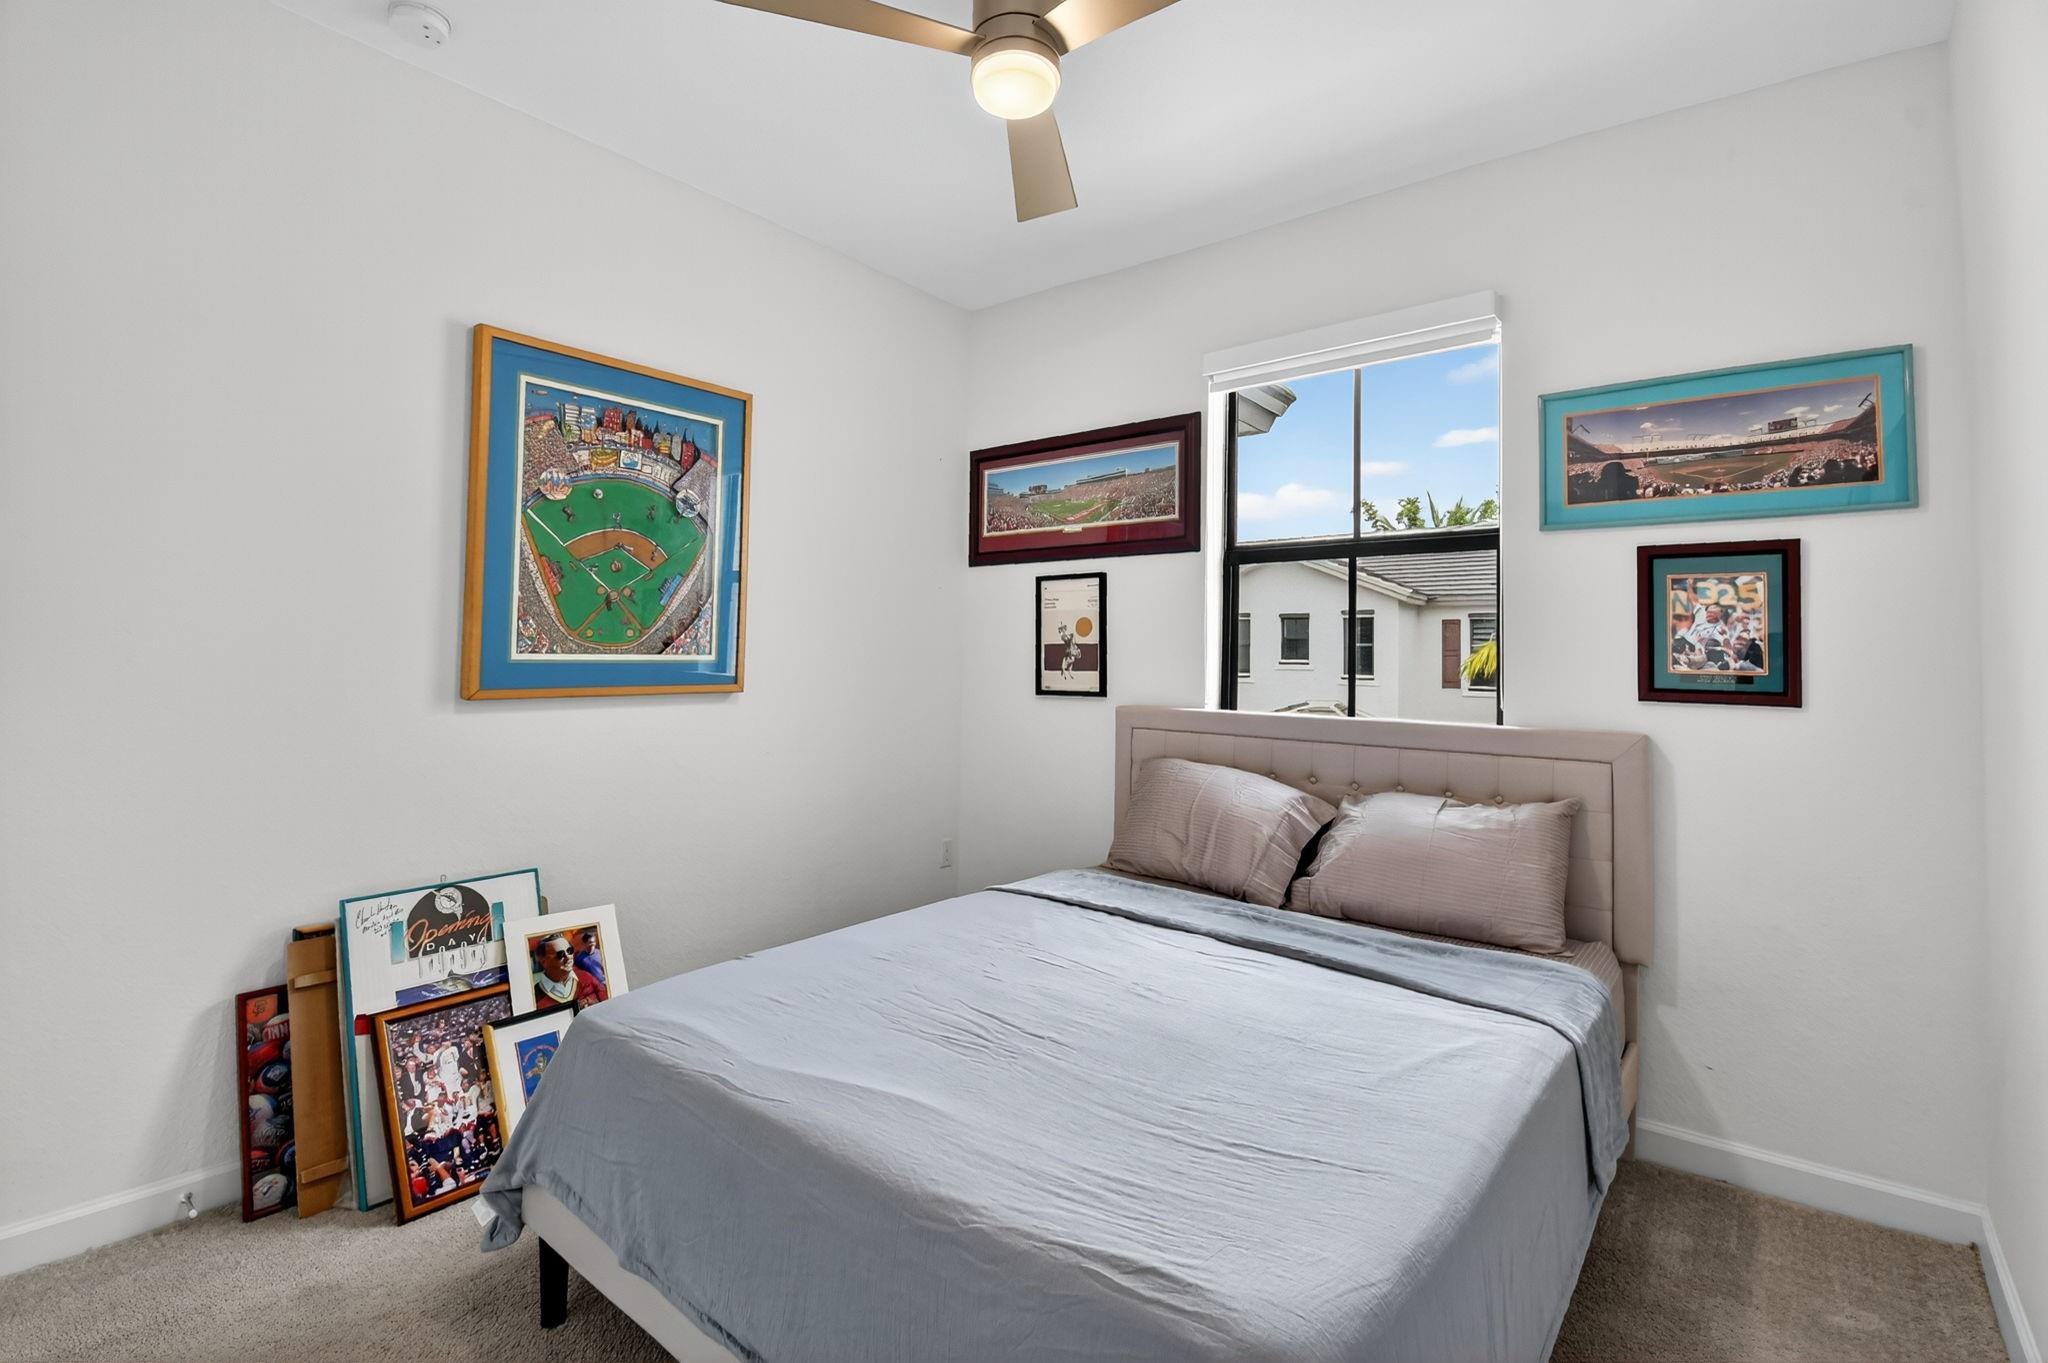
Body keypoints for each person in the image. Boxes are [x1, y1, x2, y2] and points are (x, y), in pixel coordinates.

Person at [531, 933, 607, 1011]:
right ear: (544, 962)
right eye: (560, 954)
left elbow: (606, 999)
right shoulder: (534, 997)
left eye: (569, 951)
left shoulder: (586, 977)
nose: (568, 957)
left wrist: (595, 1003)